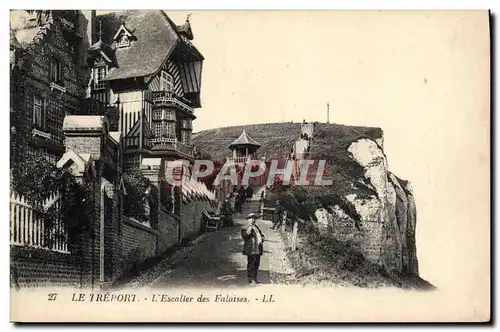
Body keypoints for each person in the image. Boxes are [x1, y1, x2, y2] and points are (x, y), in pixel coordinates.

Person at [241, 213, 265, 284]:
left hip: (257, 248)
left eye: (254, 219)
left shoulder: (256, 227)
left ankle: (255, 278)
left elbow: (261, 234)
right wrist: (249, 230)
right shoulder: (245, 228)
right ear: (248, 220)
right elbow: (244, 236)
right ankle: (250, 279)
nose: (253, 220)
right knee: (251, 264)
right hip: (251, 249)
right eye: (251, 218)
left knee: (256, 264)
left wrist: (263, 237)